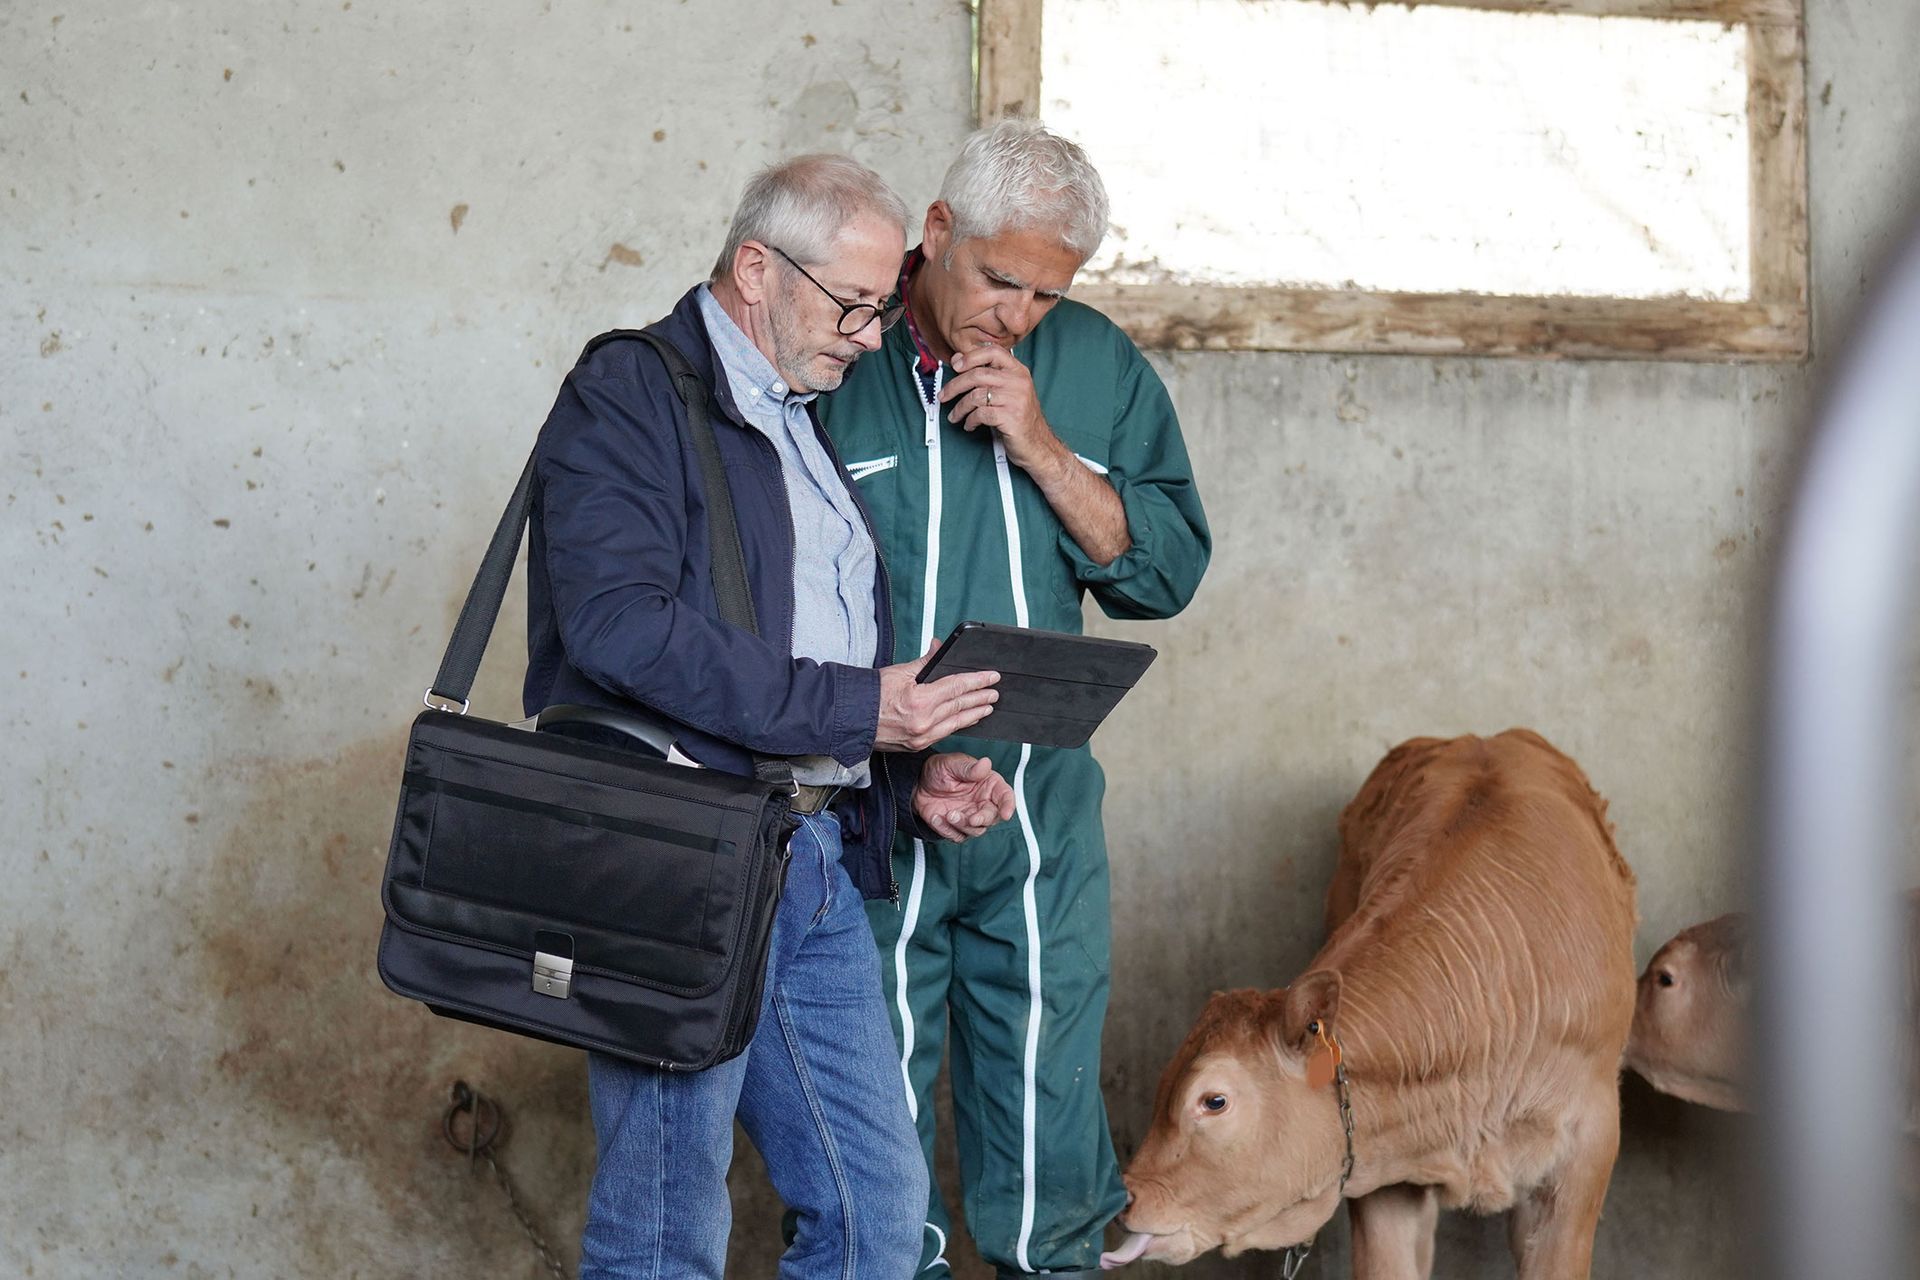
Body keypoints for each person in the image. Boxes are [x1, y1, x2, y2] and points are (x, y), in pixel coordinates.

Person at [523, 153, 1020, 1280]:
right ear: (757, 267)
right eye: (854, 303)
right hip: (681, 859)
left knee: (879, 1218)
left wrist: (901, 766)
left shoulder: (796, 413)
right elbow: (618, 626)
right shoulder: (633, 391)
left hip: (811, 858)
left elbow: (800, 647)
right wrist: (860, 707)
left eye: (881, 306)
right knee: (664, 1232)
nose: (869, 332)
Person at [818, 120, 1212, 1278]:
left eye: (1047, 292)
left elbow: (1165, 570)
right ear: (936, 234)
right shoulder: (841, 341)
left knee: (1047, 1107)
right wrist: (883, 749)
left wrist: (1042, 444)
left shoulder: (1091, 365)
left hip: (1036, 810)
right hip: (865, 803)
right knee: (870, 1119)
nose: (1017, 313)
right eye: (999, 279)